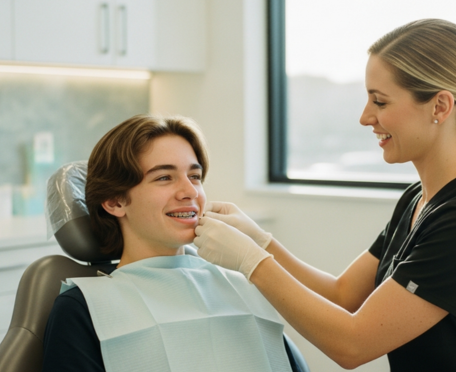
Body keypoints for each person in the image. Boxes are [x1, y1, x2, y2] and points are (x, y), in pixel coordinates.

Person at [194, 19, 456, 371]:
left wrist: (251, 262)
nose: (365, 117)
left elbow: (352, 344)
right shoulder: (418, 200)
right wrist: (260, 240)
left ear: (440, 106)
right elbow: (343, 295)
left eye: (380, 101)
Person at [42, 114, 303, 372]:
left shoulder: (243, 286)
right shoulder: (83, 310)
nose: (189, 191)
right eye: (164, 177)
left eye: (195, 176)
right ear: (115, 202)